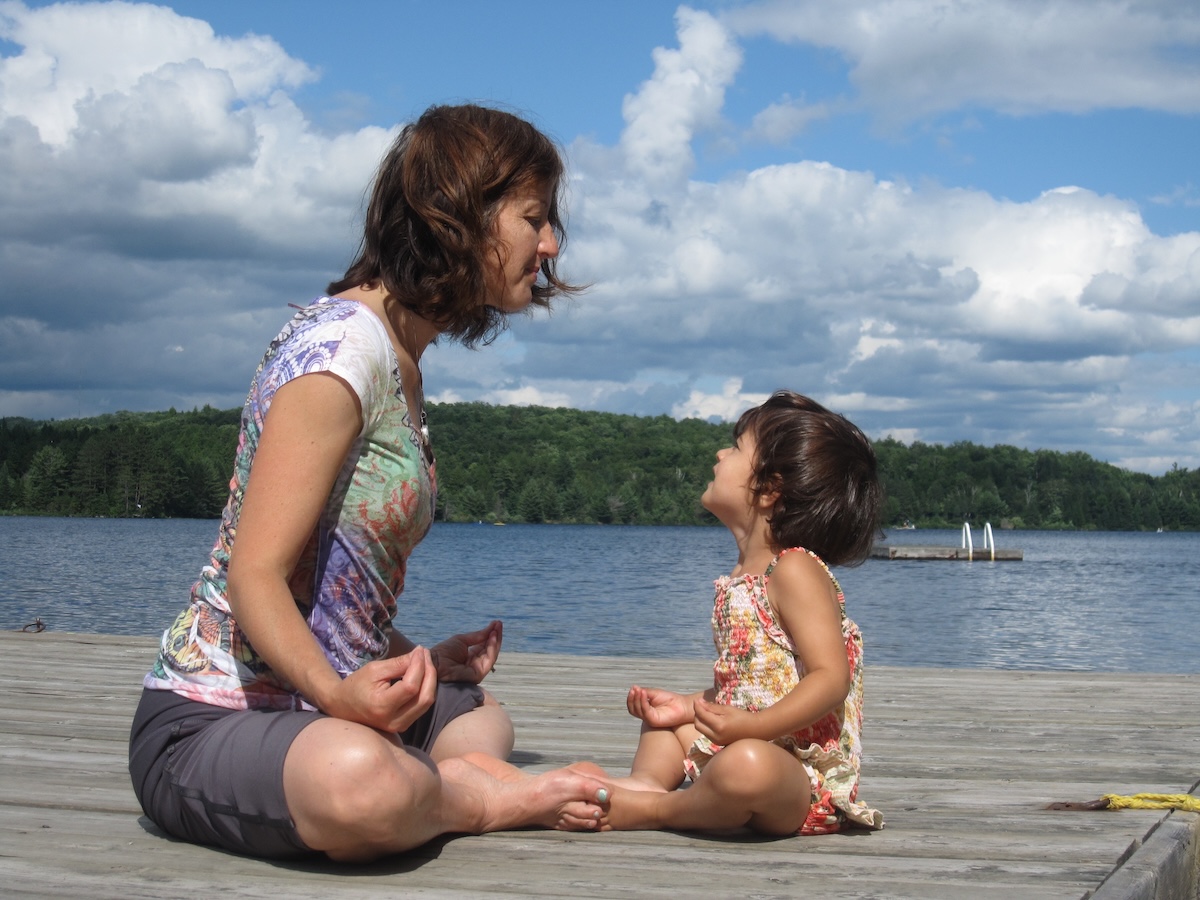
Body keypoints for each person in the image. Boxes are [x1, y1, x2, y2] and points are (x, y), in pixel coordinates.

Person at [127, 103, 611, 862]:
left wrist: (409, 655)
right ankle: (476, 799)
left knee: (481, 721)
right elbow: (256, 577)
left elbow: (322, 583)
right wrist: (340, 695)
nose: (549, 244)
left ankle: (433, 785)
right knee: (362, 782)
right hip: (211, 720)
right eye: (534, 218)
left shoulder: (399, 354)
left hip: (318, 705)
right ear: (463, 216)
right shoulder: (340, 356)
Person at [590, 390, 887, 835]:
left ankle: (653, 811)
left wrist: (755, 727)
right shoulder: (742, 577)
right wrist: (689, 706)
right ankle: (647, 784)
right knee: (663, 726)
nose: (720, 452)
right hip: (743, 743)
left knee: (747, 767)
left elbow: (831, 678)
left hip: (794, 777)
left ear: (769, 489)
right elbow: (749, 687)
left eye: (735, 446)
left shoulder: (794, 568)